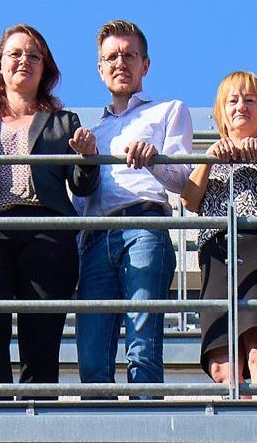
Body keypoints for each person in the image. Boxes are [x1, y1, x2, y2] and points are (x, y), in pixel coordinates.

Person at [0, 24, 99, 398]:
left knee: (42, 331)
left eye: (34, 55)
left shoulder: (64, 122)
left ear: (45, 68)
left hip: (46, 229)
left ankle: (38, 414)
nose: (24, 61)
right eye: (15, 53)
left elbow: (82, 186)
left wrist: (88, 157)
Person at [76, 20, 191, 391]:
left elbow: (183, 180)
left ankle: (147, 423)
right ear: (100, 68)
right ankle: (98, 429)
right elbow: (80, 201)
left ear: (145, 64)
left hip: (145, 227)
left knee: (142, 349)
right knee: (91, 359)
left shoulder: (168, 110)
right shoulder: (92, 132)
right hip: (96, 239)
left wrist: (154, 160)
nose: (120, 63)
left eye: (129, 55)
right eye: (111, 57)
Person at [182, 71, 257, 390]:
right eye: (232, 100)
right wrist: (209, 159)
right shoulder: (209, 153)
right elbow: (189, 200)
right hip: (218, 252)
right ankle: (238, 417)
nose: (241, 107)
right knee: (221, 363)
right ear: (221, 111)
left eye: (250, 100)